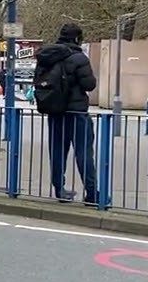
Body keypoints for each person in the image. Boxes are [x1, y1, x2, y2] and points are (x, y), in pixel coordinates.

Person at [33, 22, 99, 205]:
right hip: (76, 112)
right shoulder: (79, 58)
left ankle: (60, 190)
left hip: (54, 111)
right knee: (83, 152)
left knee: (57, 151)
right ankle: (92, 194)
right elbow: (89, 84)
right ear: (77, 38)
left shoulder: (46, 56)